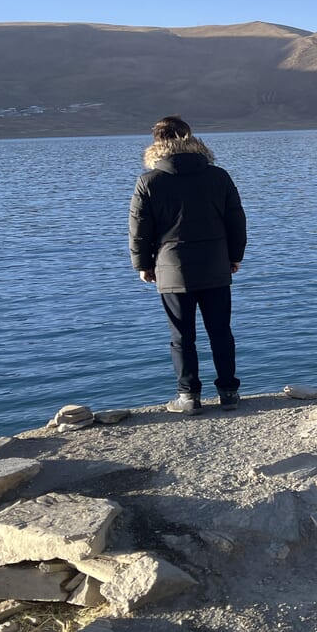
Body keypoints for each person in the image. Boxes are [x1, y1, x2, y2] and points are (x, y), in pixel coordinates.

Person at [129, 116, 247, 414]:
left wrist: (142, 264)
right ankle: (229, 393)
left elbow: (139, 229)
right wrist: (235, 256)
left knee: (182, 336)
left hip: (172, 269)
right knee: (221, 331)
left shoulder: (149, 181)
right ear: (190, 138)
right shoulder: (218, 176)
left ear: (157, 143)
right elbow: (236, 220)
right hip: (216, 266)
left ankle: (189, 397)